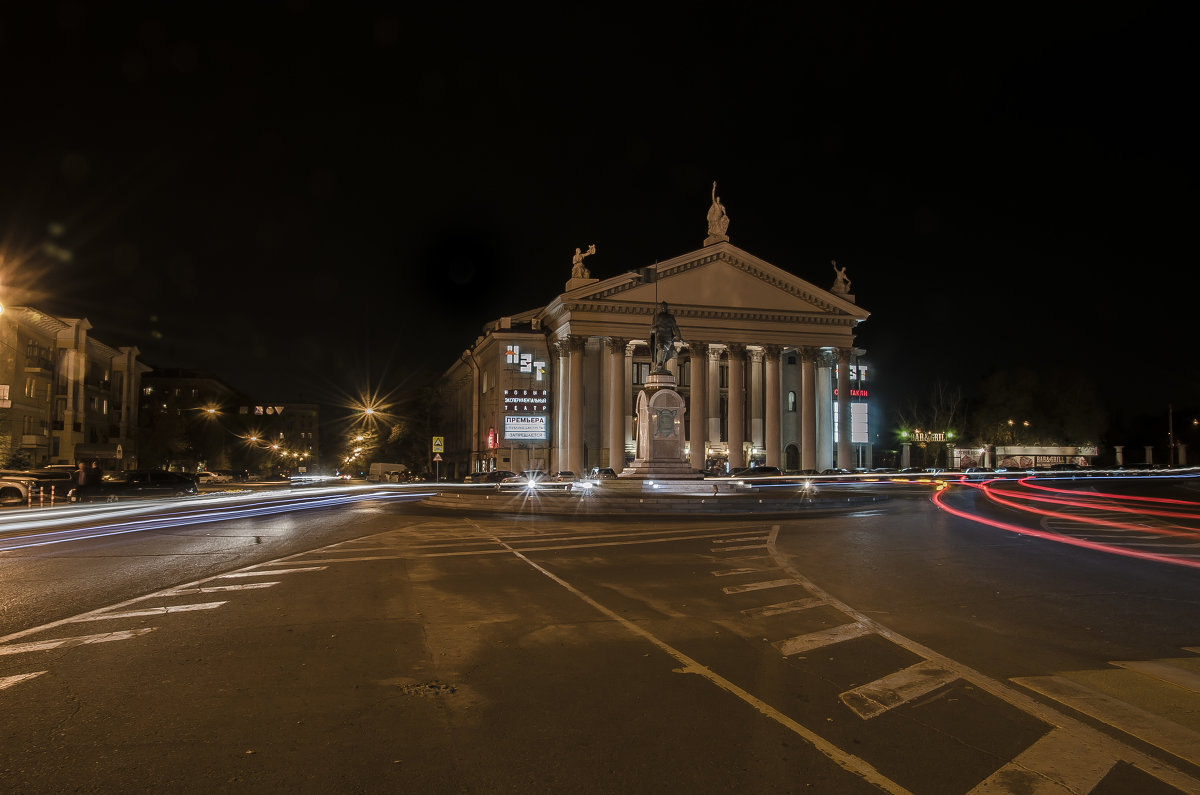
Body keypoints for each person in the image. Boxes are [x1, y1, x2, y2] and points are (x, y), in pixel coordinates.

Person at [650, 301, 682, 371]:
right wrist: (653, 329)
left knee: (664, 350)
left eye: (665, 307)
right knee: (661, 347)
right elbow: (652, 328)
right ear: (660, 308)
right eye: (662, 307)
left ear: (667, 308)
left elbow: (675, 327)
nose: (663, 308)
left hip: (668, 336)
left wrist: (679, 336)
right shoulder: (656, 317)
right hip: (660, 335)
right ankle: (659, 363)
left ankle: (660, 365)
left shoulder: (670, 317)